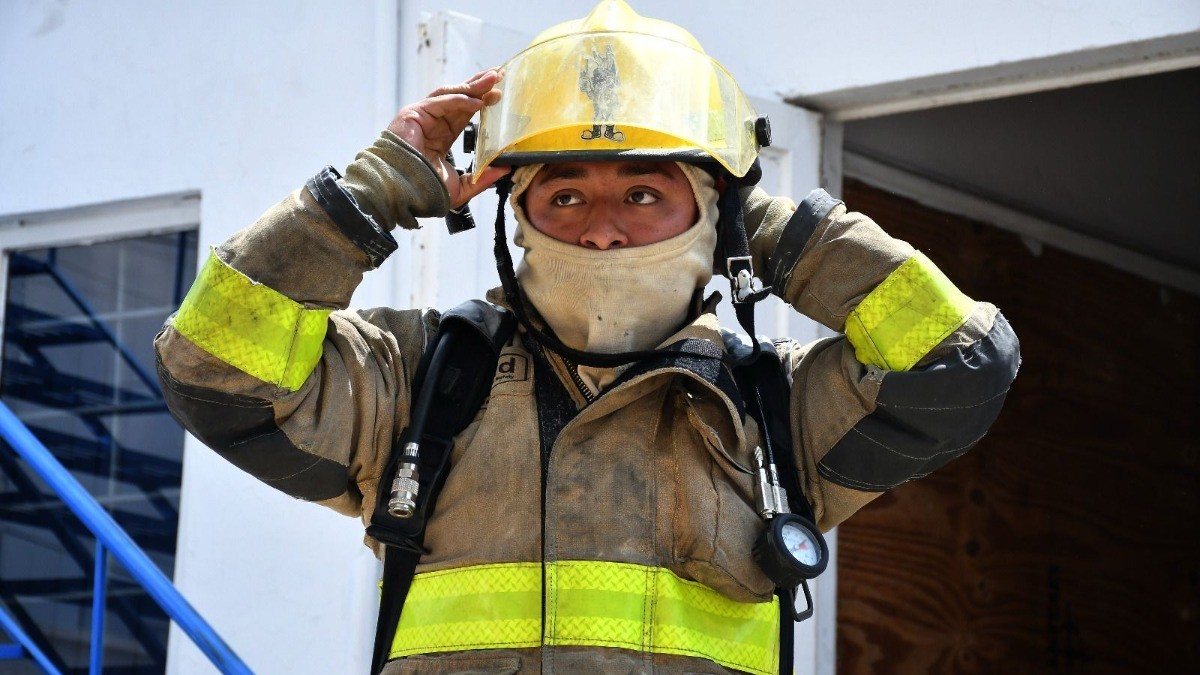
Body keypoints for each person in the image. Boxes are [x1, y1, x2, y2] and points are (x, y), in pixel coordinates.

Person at [154, 1, 1020, 673]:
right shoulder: (415, 378)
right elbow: (214, 370)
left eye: (645, 194)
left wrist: (769, 224)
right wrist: (366, 195)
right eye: (564, 194)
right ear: (517, 215)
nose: (601, 230)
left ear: (709, 215)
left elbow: (959, 362)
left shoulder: (777, 406)